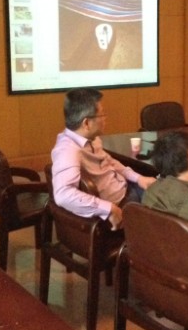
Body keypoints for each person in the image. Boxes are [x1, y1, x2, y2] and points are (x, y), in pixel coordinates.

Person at [51, 88, 156, 229]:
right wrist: (108, 209)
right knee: (171, 212)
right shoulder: (68, 150)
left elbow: (110, 162)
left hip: (126, 188)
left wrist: (138, 178)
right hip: (122, 204)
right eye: (102, 114)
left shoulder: (92, 138)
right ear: (86, 123)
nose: (105, 118)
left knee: (169, 193)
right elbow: (63, 195)